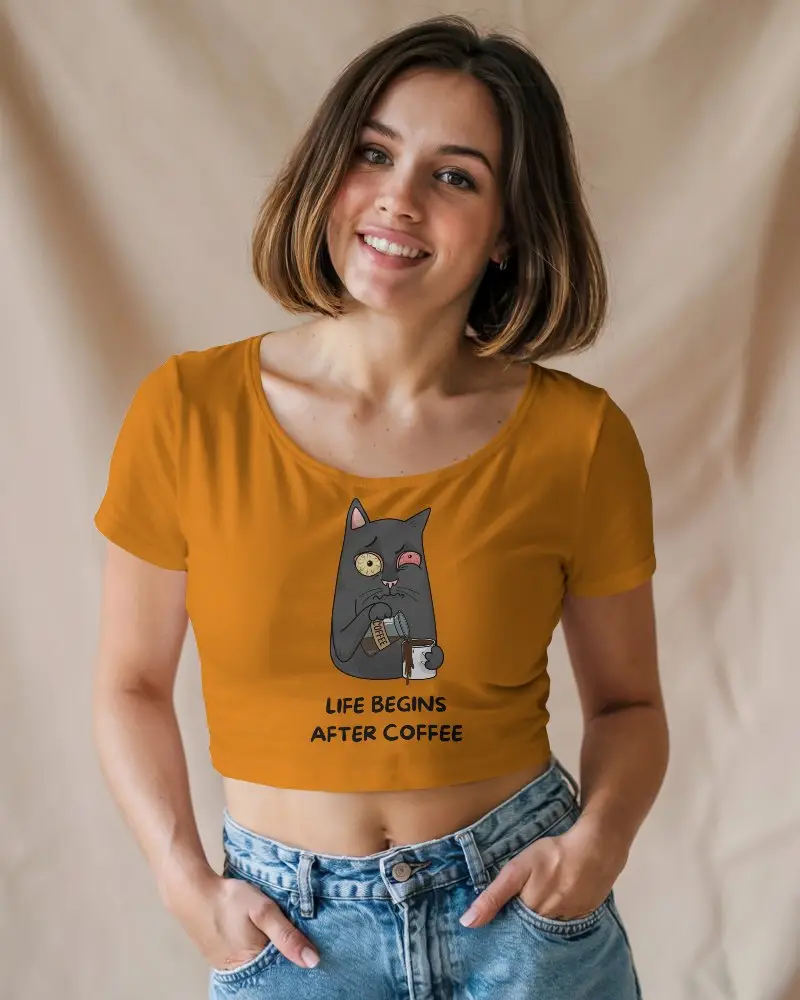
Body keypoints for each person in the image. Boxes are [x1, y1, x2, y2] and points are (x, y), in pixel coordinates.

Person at [92, 14, 668, 1000]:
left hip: (520, 923)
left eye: (454, 175)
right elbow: (131, 684)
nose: (397, 199)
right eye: (372, 153)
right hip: (293, 937)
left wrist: (590, 856)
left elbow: (627, 706)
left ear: (506, 230)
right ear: (328, 171)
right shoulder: (187, 410)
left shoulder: (577, 439)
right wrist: (184, 883)